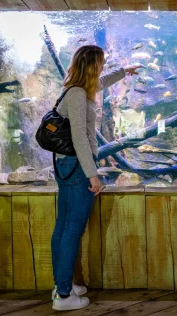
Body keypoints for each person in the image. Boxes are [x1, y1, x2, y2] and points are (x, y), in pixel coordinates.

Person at [51, 45, 141, 311]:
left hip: (65, 165)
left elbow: (101, 83)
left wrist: (124, 72)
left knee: (63, 225)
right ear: (92, 65)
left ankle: (60, 284)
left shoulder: (75, 89)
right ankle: (64, 296)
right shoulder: (78, 94)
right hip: (77, 167)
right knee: (72, 229)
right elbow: (79, 137)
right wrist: (92, 174)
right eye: (101, 63)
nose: (103, 67)